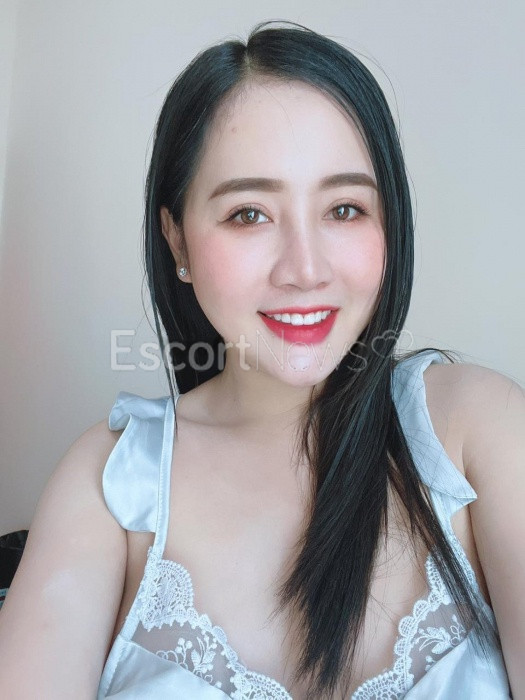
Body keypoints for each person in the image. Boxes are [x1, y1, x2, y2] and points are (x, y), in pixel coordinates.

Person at [0, 20, 522, 700]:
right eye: (249, 214)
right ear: (177, 241)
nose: (305, 269)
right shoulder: (109, 483)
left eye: (344, 209)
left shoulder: (474, 428)